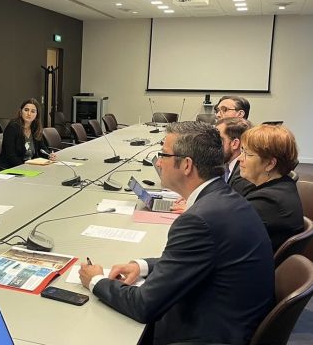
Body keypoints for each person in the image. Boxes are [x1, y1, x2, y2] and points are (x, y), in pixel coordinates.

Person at [79, 121, 274, 345]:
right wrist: (142, 266)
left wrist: (96, 280)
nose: (159, 162)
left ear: (187, 165)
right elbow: (194, 258)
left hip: (206, 335)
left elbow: (144, 306)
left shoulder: (199, 220)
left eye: (164, 154)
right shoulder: (222, 197)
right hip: (231, 319)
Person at [240, 124, 303, 252]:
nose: (240, 158)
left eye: (248, 154)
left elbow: (226, 236)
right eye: (242, 150)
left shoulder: (267, 202)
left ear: (270, 163)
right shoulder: (282, 183)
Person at [0, 98, 55, 169]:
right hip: (11, 167)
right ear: (21, 112)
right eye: (26, 110)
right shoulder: (12, 128)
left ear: (37, 114)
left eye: (33, 111)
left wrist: (48, 155)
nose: (29, 114)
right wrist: (24, 167)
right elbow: (10, 155)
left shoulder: (35, 128)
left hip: (29, 166)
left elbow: (42, 148)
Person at [216, 117, 255, 196]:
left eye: (218, 140)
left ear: (235, 144)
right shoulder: (224, 166)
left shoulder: (244, 175)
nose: (213, 144)